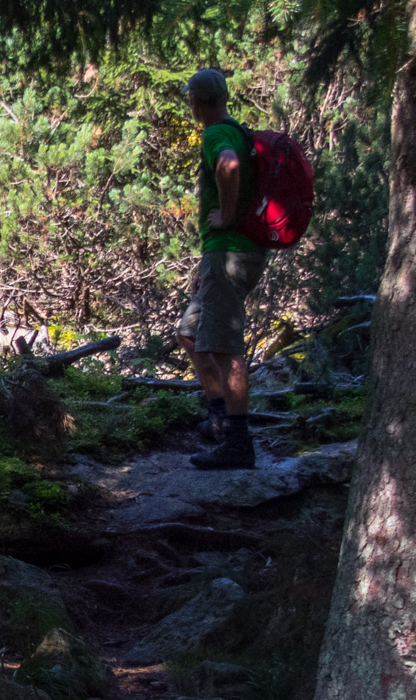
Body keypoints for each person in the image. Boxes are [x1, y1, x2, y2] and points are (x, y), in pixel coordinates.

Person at [176, 68, 264, 470]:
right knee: (191, 334)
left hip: (231, 250)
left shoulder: (215, 134)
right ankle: (219, 417)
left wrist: (226, 218)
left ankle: (238, 443)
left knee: (225, 348)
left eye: (190, 98)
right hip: (223, 255)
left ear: (197, 100)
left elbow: (228, 168)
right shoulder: (236, 129)